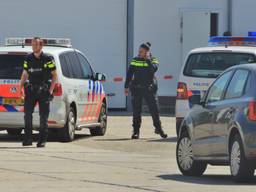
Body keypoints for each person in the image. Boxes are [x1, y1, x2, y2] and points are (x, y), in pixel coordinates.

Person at [124, 42, 168, 139]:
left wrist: (148, 60)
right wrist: (126, 86)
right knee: (136, 111)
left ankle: (159, 129)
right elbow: (129, 73)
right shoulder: (135, 60)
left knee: (154, 110)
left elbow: (153, 70)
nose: (139, 53)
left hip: (149, 89)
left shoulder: (153, 60)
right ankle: (136, 131)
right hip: (137, 88)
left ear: (147, 52)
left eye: (141, 51)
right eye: (139, 51)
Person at [20, 37, 57, 147]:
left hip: (44, 91)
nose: (33, 46)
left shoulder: (47, 58)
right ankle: (28, 139)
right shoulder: (28, 58)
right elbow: (25, 73)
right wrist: (20, 86)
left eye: (36, 45)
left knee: (43, 117)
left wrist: (50, 91)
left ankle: (42, 140)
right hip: (30, 90)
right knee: (27, 115)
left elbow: (54, 75)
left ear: (41, 46)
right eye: (32, 44)